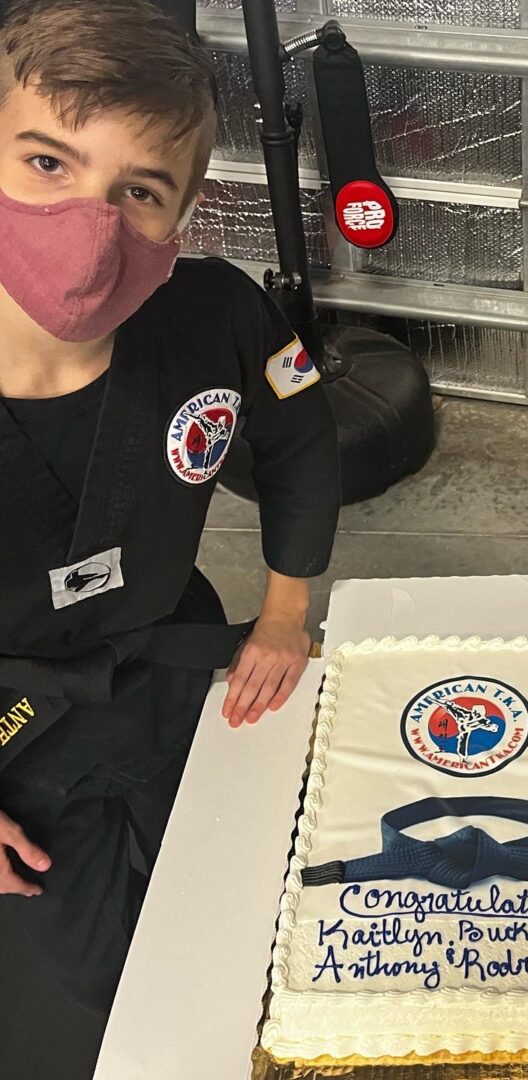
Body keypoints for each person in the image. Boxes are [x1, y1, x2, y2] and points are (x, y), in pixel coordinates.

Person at [0, 0, 340, 1054]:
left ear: (186, 211)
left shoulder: (216, 316)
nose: (91, 224)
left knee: (258, 921)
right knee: (89, 991)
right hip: (16, 731)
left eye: (137, 191)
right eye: (46, 164)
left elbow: (302, 448)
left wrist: (286, 614)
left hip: (183, 665)